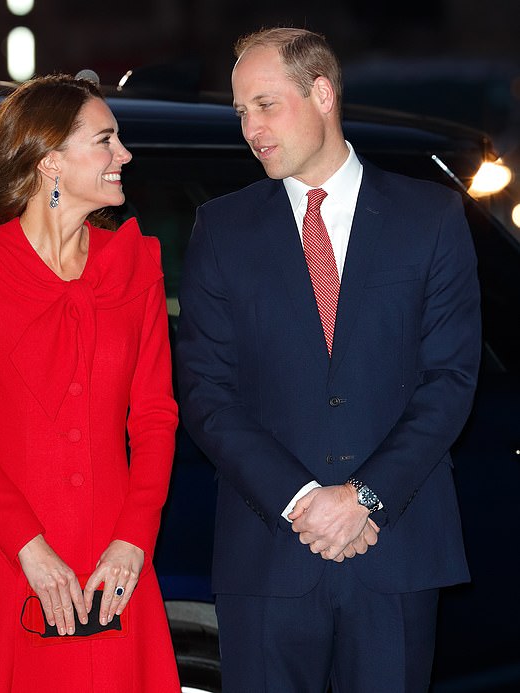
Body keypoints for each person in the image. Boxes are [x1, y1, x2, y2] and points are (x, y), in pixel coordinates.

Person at [176, 27, 481, 693]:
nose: (250, 129)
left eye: (264, 105)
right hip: (267, 555)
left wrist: (364, 496)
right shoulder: (223, 229)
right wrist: (302, 499)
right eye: (239, 113)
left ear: (321, 92)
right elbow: (204, 389)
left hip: (395, 548)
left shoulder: (429, 217)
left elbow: (451, 378)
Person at [0, 74, 180, 692]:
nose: (125, 156)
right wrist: (29, 549)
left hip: (114, 569)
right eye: (106, 140)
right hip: (14, 560)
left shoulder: (135, 264)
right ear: (50, 161)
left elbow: (154, 417)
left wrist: (132, 540)